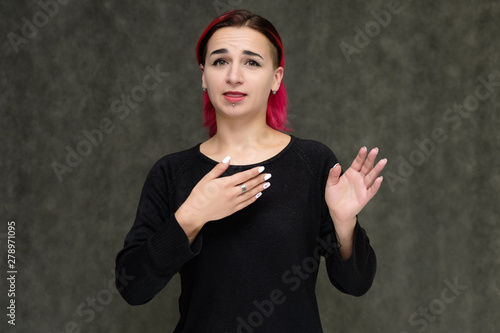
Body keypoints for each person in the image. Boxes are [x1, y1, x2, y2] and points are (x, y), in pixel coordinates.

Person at [115, 9, 387, 332]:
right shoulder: (172, 173)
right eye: (220, 62)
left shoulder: (313, 164)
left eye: (252, 62)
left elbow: (356, 283)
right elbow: (132, 287)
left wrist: (345, 224)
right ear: (203, 76)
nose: (233, 76)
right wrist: (191, 216)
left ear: (276, 78)